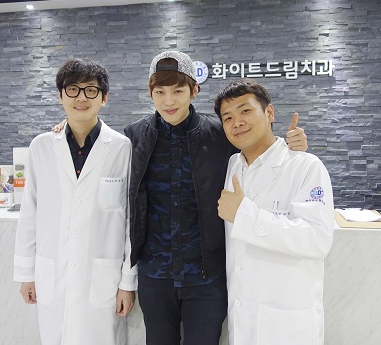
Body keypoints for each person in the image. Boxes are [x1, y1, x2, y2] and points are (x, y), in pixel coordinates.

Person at [124, 51, 309, 345]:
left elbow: (257, 153)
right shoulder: (134, 136)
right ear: (150, 93)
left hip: (206, 277)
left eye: (178, 91)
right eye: (160, 92)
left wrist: (291, 147)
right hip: (154, 275)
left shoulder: (220, 134)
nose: (169, 101)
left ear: (194, 90)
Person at [14, 58, 137, 345]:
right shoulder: (42, 146)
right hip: (53, 273)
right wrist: (26, 273)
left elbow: (130, 220)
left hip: (102, 276)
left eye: (91, 90)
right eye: (72, 90)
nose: (81, 98)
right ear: (60, 96)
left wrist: (127, 281)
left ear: (104, 98)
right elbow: (30, 213)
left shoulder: (122, 148)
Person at [214, 78, 334, 345]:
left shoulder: (305, 166)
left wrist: (244, 215)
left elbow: (317, 239)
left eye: (245, 111)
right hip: (242, 317)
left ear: (269, 113)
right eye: (228, 117)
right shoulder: (233, 164)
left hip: (286, 323)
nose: (237, 122)